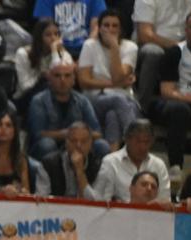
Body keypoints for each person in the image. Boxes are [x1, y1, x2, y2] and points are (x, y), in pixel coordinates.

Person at [151, 8, 191, 182]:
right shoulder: (175, 52)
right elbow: (167, 91)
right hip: (176, 103)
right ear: (186, 30)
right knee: (180, 110)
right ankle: (175, 167)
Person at [77, 9, 140, 151]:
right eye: (106, 25)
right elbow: (84, 82)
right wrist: (115, 84)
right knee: (117, 100)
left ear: (121, 29)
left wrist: (114, 47)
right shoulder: (89, 45)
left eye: (114, 26)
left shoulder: (131, 47)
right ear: (99, 28)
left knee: (113, 116)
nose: (110, 29)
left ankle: (112, 154)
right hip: (95, 98)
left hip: (124, 98)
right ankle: (136, 142)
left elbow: (117, 75)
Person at [133, 0, 191, 112]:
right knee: (153, 52)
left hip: (184, 45)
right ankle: (142, 107)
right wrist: (180, 47)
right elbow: (145, 35)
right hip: (153, 45)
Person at [27, 62, 109, 161]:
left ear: (74, 79)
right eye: (57, 76)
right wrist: (65, 134)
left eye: (67, 76)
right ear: (49, 78)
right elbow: (37, 134)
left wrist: (79, 136)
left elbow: (97, 133)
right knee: (46, 144)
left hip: (78, 144)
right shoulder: (39, 101)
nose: (62, 80)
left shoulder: (82, 101)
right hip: (51, 145)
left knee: (101, 145)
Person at [93, 119, 171, 202]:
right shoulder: (110, 162)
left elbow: (165, 200)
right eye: (138, 141)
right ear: (127, 139)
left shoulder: (159, 165)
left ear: (152, 142)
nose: (142, 147)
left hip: (151, 210)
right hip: (120, 210)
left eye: (146, 142)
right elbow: (101, 200)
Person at [13, 19, 74, 115]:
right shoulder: (23, 54)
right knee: (46, 86)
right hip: (27, 97)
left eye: (56, 34)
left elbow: (65, 81)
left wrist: (55, 52)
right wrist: (40, 76)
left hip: (55, 95)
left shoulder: (62, 53)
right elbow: (24, 87)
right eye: (48, 35)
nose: (54, 38)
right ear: (39, 37)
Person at [41, 122, 103, 199]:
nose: (78, 145)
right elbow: (41, 199)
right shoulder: (48, 163)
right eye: (73, 141)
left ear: (90, 144)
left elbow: (96, 201)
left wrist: (80, 172)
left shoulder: (98, 166)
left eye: (84, 141)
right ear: (66, 142)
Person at [34, 0, 107, 57]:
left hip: (86, 48)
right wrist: (64, 56)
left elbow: (96, 29)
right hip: (55, 48)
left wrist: (85, 55)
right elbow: (46, 30)